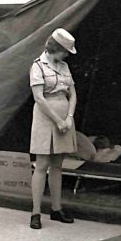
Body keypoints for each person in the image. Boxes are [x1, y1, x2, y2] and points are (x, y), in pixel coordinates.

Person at [29, 28, 78, 229]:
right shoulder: (38, 67)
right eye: (64, 51)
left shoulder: (65, 67)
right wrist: (58, 120)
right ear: (55, 48)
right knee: (41, 165)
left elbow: (73, 94)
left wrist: (69, 117)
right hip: (45, 117)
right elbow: (39, 97)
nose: (66, 55)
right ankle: (36, 213)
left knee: (58, 164)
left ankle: (56, 209)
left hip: (65, 118)